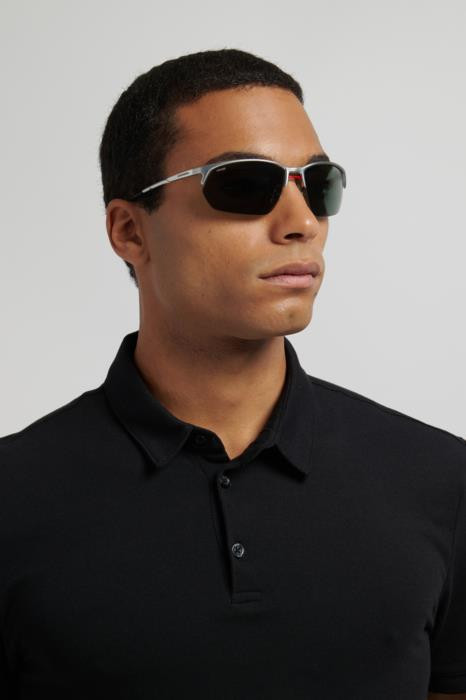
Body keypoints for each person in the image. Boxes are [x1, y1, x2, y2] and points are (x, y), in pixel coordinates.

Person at [0, 48, 465, 700]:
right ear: (130, 231)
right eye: (245, 184)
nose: (303, 224)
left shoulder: (443, 482)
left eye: (319, 184)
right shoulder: (14, 499)